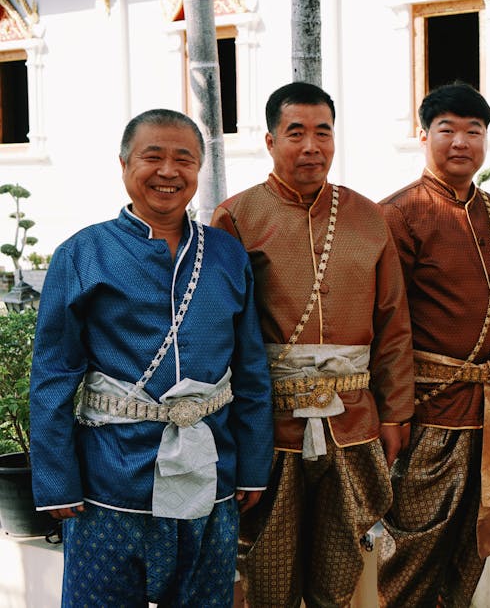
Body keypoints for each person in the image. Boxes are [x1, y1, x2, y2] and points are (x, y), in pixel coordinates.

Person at [29, 109, 273, 606]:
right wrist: (57, 480)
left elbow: (250, 370)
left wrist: (252, 466)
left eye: (183, 159)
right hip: (111, 480)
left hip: (213, 471)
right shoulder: (82, 254)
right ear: (123, 165)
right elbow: (53, 375)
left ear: (198, 170)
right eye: (152, 157)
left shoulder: (227, 255)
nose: (168, 172)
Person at [210, 82, 414, 607]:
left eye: (322, 133)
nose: (310, 146)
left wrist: (395, 414)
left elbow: (393, 322)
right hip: (271, 428)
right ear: (270, 140)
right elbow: (224, 333)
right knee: (268, 571)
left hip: (355, 422)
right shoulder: (237, 217)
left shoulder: (369, 218)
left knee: (341, 567)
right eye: (295, 133)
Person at [378, 82, 490, 607]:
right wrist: (393, 415)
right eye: (447, 129)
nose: (461, 141)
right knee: (411, 555)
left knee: (469, 556)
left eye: (474, 130)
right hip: (427, 417)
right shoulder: (398, 214)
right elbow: (385, 327)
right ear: (423, 135)